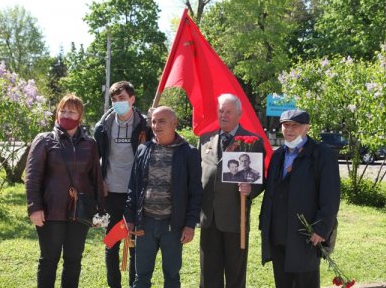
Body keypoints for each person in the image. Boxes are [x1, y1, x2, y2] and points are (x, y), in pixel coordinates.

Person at [25, 93, 105, 288]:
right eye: (63, 110)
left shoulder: (90, 144)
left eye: (72, 111)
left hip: (80, 213)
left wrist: (100, 211)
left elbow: (96, 179)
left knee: (73, 260)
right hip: (51, 211)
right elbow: (32, 177)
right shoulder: (44, 140)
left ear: (80, 116)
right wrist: (34, 207)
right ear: (57, 113)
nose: (66, 115)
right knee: (49, 260)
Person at [259, 109, 340, 288]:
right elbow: (271, 190)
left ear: (307, 128)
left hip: (306, 236)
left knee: (305, 283)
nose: (290, 129)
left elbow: (331, 196)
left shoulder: (321, 154)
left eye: (295, 125)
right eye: (286, 125)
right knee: (283, 283)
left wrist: (321, 229)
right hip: (278, 234)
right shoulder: (278, 155)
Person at [124, 106, 202, 288]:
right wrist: (129, 217)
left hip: (173, 225)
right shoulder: (143, 150)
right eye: (153, 121)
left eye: (162, 121)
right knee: (141, 276)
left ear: (174, 123)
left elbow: (196, 192)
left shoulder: (189, 153)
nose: (156, 125)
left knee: (172, 275)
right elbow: (133, 187)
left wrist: (190, 224)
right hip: (145, 223)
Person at [199, 93, 265, 288]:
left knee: (235, 276)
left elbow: (260, 180)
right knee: (209, 274)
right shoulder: (205, 139)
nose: (223, 115)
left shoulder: (252, 141)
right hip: (209, 219)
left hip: (236, 218)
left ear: (239, 114)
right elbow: (197, 175)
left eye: (228, 111)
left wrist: (250, 189)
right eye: (221, 111)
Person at [94, 81, 150, 288]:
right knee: (112, 243)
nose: (118, 103)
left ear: (132, 99)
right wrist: (100, 183)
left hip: (135, 195)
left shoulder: (145, 125)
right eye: (114, 100)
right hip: (112, 194)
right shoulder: (102, 127)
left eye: (122, 99)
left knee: (135, 243)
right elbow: (95, 159)